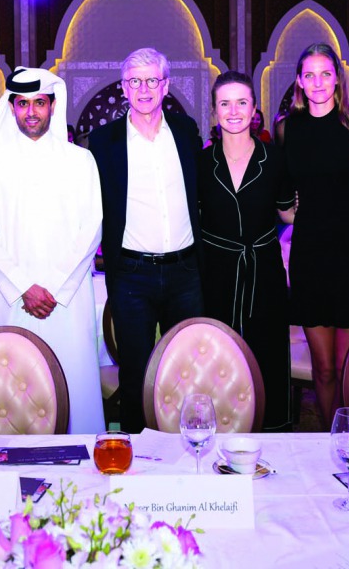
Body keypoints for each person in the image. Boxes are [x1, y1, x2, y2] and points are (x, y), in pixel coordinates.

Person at [0, 68, 104, 434]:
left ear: (53, 106)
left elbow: (92, 229)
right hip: (14, 299)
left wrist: (54, 287)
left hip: (68, 301)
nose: (31, 112)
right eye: (22, 104)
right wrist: (25, 287)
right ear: (11, 108)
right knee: (16, 389)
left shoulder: (80, 160)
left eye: (39, 103)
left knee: (75, 385)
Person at [88, 47, 204, 433]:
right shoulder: (103, 142)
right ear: (123, 88)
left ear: (166, 85)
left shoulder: (187, 132)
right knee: (135, 372)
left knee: (185, 365)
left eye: (152, 80)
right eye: (134, 81)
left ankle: (186, 450)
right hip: (132, 275)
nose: (143, 89)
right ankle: (136, 457)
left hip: (186, 272)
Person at [275, 43, 349, 431]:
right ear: (299, 81)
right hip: (311, 256)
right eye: (309, 75)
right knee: (322, 368)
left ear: (338, 77)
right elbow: (282, 192)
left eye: (325, 73)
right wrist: (287, 210)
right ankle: (330, 443)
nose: (318, 82)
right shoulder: (287, 127)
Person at [198, 71, 295, 432]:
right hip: (216, 273)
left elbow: (287, 211)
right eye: (225, 103)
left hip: (265, 272)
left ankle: (272, 436)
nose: (234, 111)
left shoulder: (276, 158)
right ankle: (217, 434)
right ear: (214, 111)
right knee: (218, 358)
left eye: (242, 102)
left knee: (267, 355)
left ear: (254, 108)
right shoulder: (201, 163)